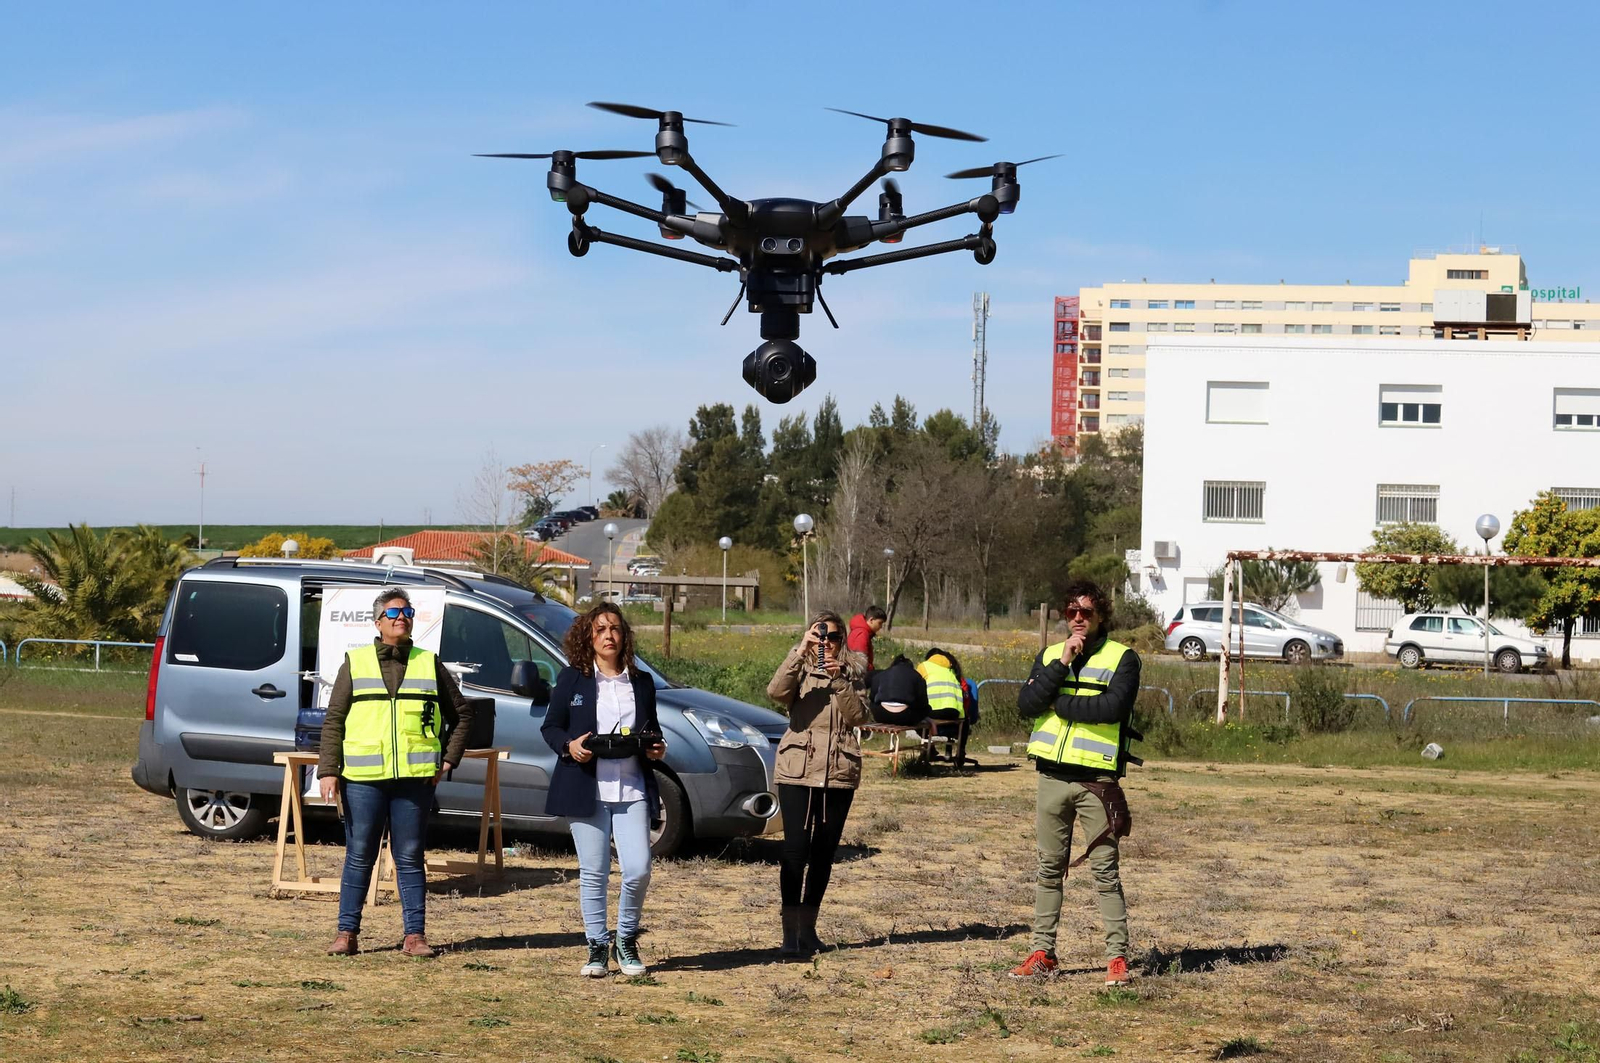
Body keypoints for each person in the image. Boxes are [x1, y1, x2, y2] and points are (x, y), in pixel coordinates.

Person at [319, 587, 475, 958]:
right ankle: (346, 934)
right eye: (392, 612)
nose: (401, 617)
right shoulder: (355, 662)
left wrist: (449, 759)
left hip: (415, 780)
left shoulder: (428, 662)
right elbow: (334, 720)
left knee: (409, 857)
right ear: (378, 622)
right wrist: (328, 770)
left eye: (407, 611)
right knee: (360, 855)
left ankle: (415, 936)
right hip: (363, 780)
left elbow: (463, 715)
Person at [1010, 579, 1143, 986]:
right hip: (1051, 778)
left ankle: (1117, 958)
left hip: (1096, 782)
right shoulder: (1052, 654)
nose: (1079, 618)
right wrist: (1062, 663)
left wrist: (1060, 704)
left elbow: (1112, 708)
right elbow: (1027, 704)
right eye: (1072, 612)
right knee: (1048, 869)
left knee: (1105, 872)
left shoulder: (1124, 658)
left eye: (1086, 611)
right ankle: (1042, 953)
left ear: (1101, 614)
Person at [541, 604, 667, 978]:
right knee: (594, 872)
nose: (608, 635)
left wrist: (656, 747)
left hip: (632, 789)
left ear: (624, 636)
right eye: (600, 629)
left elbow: (652, 730)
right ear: (588, 637)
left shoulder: (641, 682)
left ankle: (625, 940)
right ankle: (597, 946)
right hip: (586, 788)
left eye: (614, 628)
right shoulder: (572, 679)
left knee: (638, 869)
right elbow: (551, 728)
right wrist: (570, 746)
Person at [766, 610, 869, 957]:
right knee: (795, 851)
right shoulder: (799, 666)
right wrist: (800, 651)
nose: (827, 642)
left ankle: (808, 929)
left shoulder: (853, 673)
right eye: (820, 635)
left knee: (823, 855)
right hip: (797, 769)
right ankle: (789, 933)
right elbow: (776, 692)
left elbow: (859, 717)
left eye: (834, 637)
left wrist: (839, 681)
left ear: (842, 641)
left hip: (838, 772)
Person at [845, 605, 887, 672]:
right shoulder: (862, 634)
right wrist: (872, 672)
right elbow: (860, 662)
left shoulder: (861, 631)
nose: (881, 627)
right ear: (871, 620)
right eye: (880, 623)